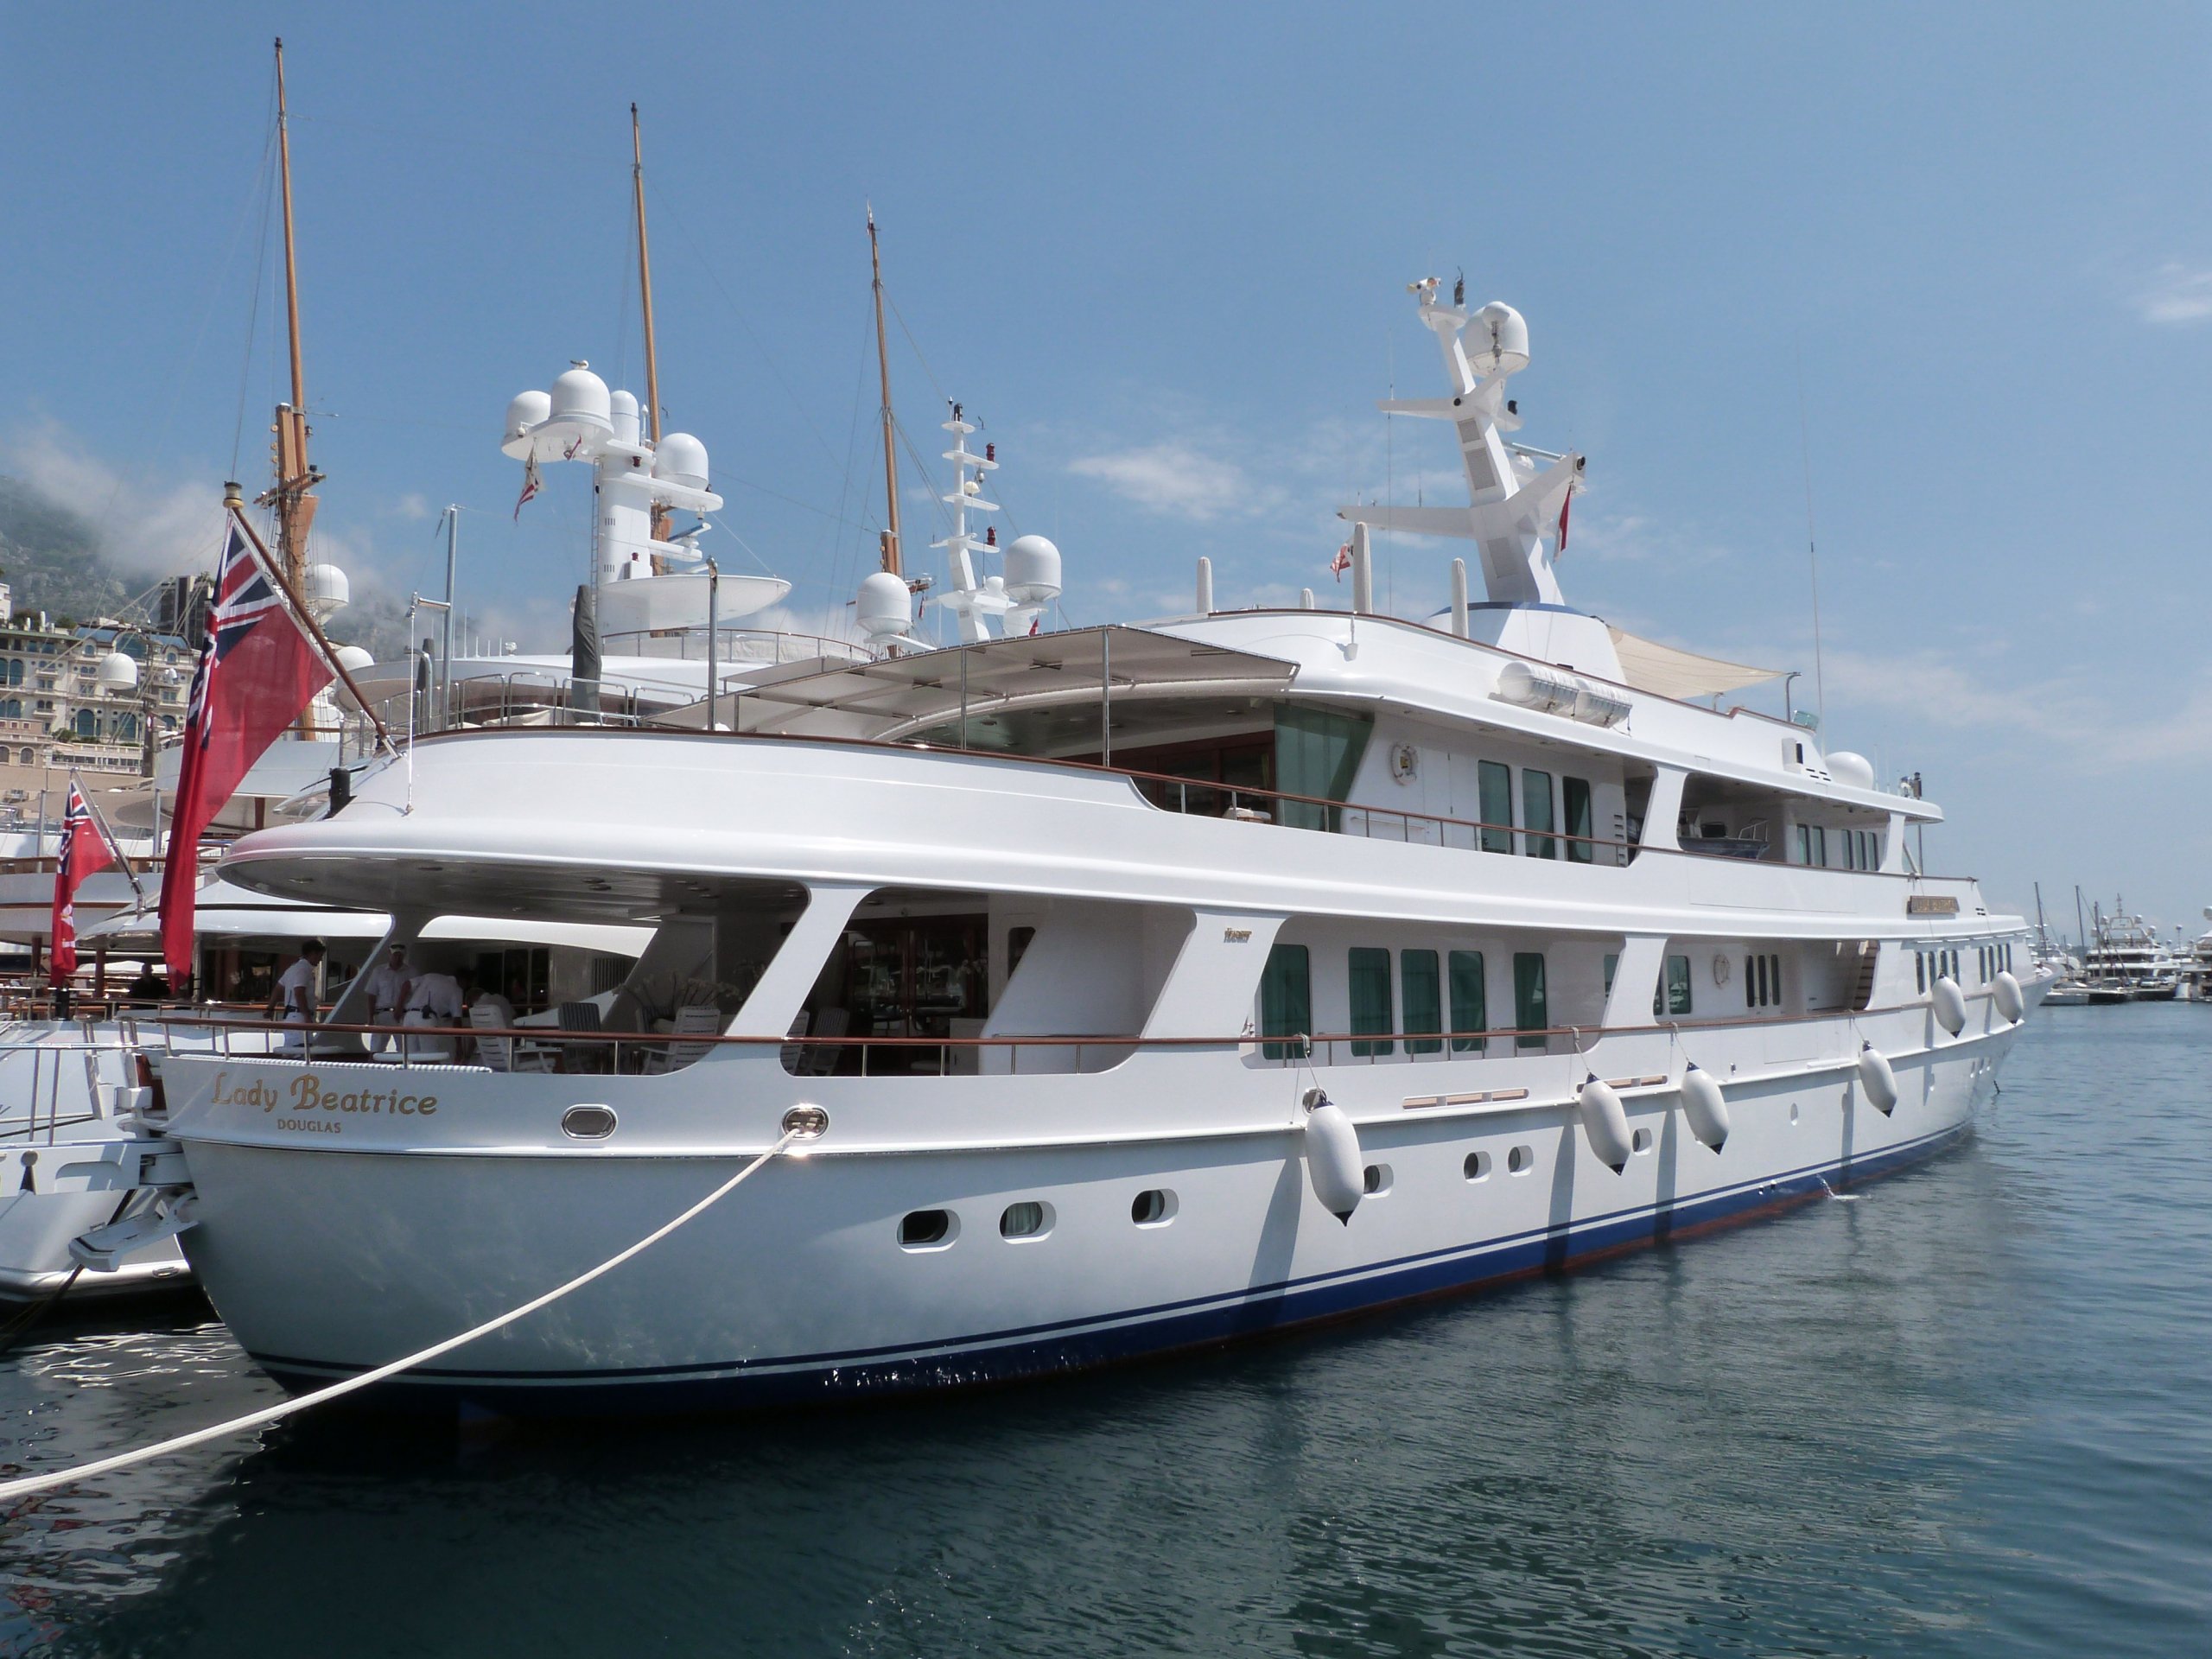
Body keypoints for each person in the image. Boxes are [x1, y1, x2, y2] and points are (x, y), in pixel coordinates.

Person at [268, 940, 326, 1054]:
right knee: (301, 1052)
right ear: (313, 953)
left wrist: (270, 1008)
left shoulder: (292, 969)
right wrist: (307, 1016)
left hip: (291, 1017)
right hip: (300, 1017)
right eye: (320, 956)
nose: (320, 960)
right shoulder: (303, 969)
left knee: (292, 1051)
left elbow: (278, 988)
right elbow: (299, 992)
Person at [402, 962, 466, 1062]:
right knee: (430, 1055)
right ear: (464, 981)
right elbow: (457, 1020)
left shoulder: (431, 976)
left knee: (409, 1056)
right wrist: (459, 1046)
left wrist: (398, 1008)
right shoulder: (457, 990)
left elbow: (406, 985)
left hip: (408, 1016)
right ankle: (434, 1077)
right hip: (425, 1017)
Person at [361, 943, 414, 1056]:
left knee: (404, 1049)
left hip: (402, 1015)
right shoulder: (378, 971)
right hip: (382, 1014)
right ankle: (373, 1070)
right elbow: (372, 994)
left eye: (400, 955)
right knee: (376, 1049)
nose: (398, 957)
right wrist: (370, 1017)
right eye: (395, 955)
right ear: (389, 954)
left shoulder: (411, 972)